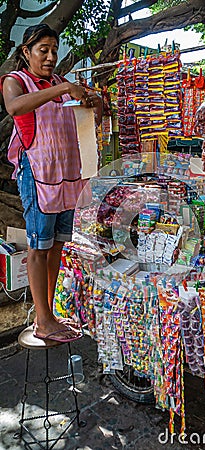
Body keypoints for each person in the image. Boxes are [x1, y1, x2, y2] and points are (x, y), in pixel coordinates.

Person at [0, 24, 102, 343]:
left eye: (54, 49)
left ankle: (50, 314)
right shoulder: (15, 81)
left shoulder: (60, 82)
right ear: (26, 53)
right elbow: (15, 107)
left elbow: (92, 119)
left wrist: (94, 101)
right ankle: (42, 321)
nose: (50, 55)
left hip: (66, 176)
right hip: (38, 175)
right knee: (38, 248)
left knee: (56, 245)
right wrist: (63, 90)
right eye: (43, 49)